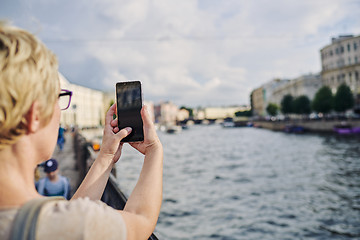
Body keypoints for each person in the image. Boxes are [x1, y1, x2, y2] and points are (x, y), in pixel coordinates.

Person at [0, 22, 163, 240]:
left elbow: (69, 215)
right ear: (34, 116)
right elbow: (140, 220)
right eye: (58, 99)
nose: (60, 112)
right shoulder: (70, 225)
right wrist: (154, 151)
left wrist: (105, 156)